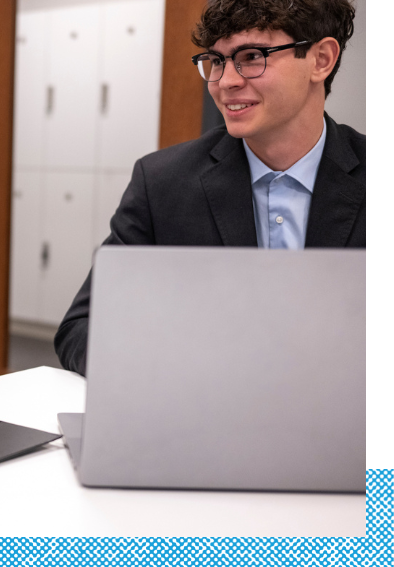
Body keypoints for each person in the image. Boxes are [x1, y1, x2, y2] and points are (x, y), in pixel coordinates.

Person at [55, 0, 364, 375]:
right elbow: (82, 327)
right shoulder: (162, 182)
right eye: (216, 61)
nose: (226, 82)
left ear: (321, 60)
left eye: (252, 56)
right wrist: (172, 371)